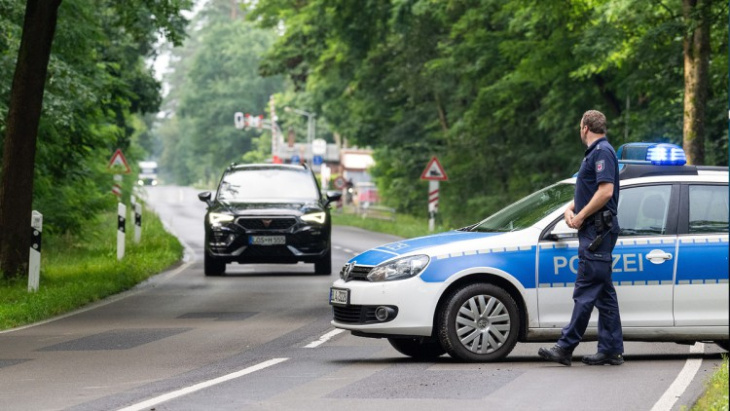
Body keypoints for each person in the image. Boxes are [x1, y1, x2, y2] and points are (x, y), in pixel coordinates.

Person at [538, 110, 624, 366]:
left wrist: (580, 216)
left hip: (597, 232)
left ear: (585, 127)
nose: (580, 129)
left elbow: (605, 192)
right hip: (595, 230)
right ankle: (611, 349)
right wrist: (571, 208)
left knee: (586, 290)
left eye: (580, 126)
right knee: (603, 292)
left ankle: (565, 347)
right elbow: (590, 190)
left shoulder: (602, 152)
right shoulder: (597, 153)